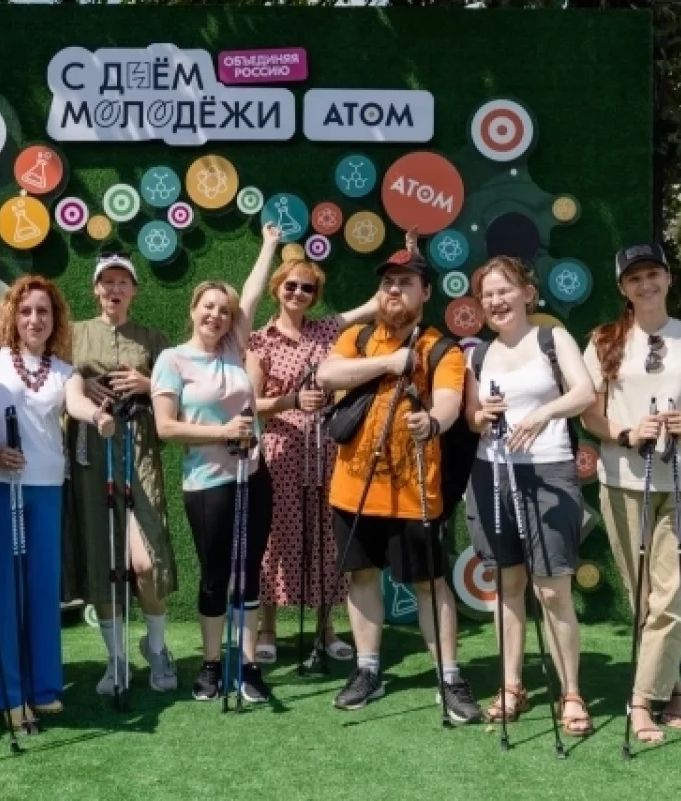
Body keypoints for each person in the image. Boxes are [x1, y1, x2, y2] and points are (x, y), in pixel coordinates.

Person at [317, 231, 482, 718]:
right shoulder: (358, 338)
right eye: (388, 283)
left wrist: (430, 421)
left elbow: (450, 403)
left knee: (431, 582)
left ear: (425, 293)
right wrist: (389, 363)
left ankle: (449, 676)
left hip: (417, 492)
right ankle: (368, 670)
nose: (394, 291)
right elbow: (327, 376)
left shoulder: (442, 349)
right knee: (361, 576)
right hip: (352, 490)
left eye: (406, 283)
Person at [580, 243, 681, 745]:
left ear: (668, 278)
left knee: (672, 599)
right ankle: (676, 685)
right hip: (624, 484)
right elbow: (590, 415)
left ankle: (641, 701)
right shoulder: (604, 340)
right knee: (646, 598)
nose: (646, 285)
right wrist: (626, 433)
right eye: (635, 278)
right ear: (622, 287)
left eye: (654, 274)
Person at [0, 274, 114, 726]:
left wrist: (98, 417)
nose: (34, 319)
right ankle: (2, 693)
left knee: (42, 591)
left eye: (43, 311)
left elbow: (77, 405)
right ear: (12, 314)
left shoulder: (65, 370)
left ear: (55, 319)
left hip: (46, 488)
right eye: (26, 310)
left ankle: (43, 686)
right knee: (0, 591)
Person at [462, 257, 595, 736]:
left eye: (504, 290)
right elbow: (471, 416)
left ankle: (572, 692)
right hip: (491, 473)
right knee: (508, 586)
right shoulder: (478, 354)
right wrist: (482, 416)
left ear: (527, 293)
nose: (496, 301)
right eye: (488, 295)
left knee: (552, 588)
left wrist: (544, 414)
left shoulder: (551, 338)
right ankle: (511, 686)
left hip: (549, 471)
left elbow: (585, 393)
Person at [151, 223, 280, 703]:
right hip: (207, 483)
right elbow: (166, 428)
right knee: (214, 574)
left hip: (253, 477)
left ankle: (246, 666)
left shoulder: (233, 349)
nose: (217, 315)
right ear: (193, 310)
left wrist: (269, 246)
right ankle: (210, 664)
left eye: (224, 312)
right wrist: (222, 433)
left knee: (248, 571)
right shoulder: (173, 360)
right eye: (209, 307)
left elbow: (250, 294)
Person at [245, 251, 377, 664]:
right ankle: (268, 628)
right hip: (280, 451)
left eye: (308, 287)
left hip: (326, 451)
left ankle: (326, 627)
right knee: (273, 542)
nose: (299, 292)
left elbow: (371, 306)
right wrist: (292, 400)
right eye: (292, 285)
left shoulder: (326, 331)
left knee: (325, 537)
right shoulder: (260, 340)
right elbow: (251, 404)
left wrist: (411, 254)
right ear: (277, 289)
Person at [66, 253, 178, 695]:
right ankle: (115, 661)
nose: (114, 289)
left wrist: (148, 386)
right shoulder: (74, 336)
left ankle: (156, 647)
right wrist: (81, 385)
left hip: (139, 453)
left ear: (134, 290)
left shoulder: (154, 339)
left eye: (122, 282)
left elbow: (177, 395)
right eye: (107, 282)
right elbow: (57, 386)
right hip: (91, 455)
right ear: (96, 289)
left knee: (144, 563)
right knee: (103, 559)